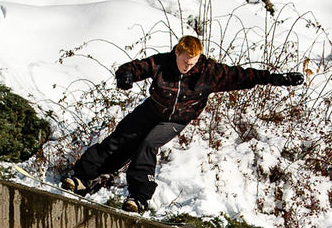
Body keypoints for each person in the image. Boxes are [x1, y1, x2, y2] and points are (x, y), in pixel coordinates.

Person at [62, 35, 304, 213]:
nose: (189, 66)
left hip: (177, 119)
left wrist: (278, 78)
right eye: (185, 61)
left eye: (193, 62)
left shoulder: (209, 72)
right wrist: (125, 76)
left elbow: (244, 76)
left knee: (148, 144)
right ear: (177, 53)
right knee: (121, 138)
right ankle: (84, 176)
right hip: (153, 108)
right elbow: (136, 67)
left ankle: (139, 196)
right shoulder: (162, 62)